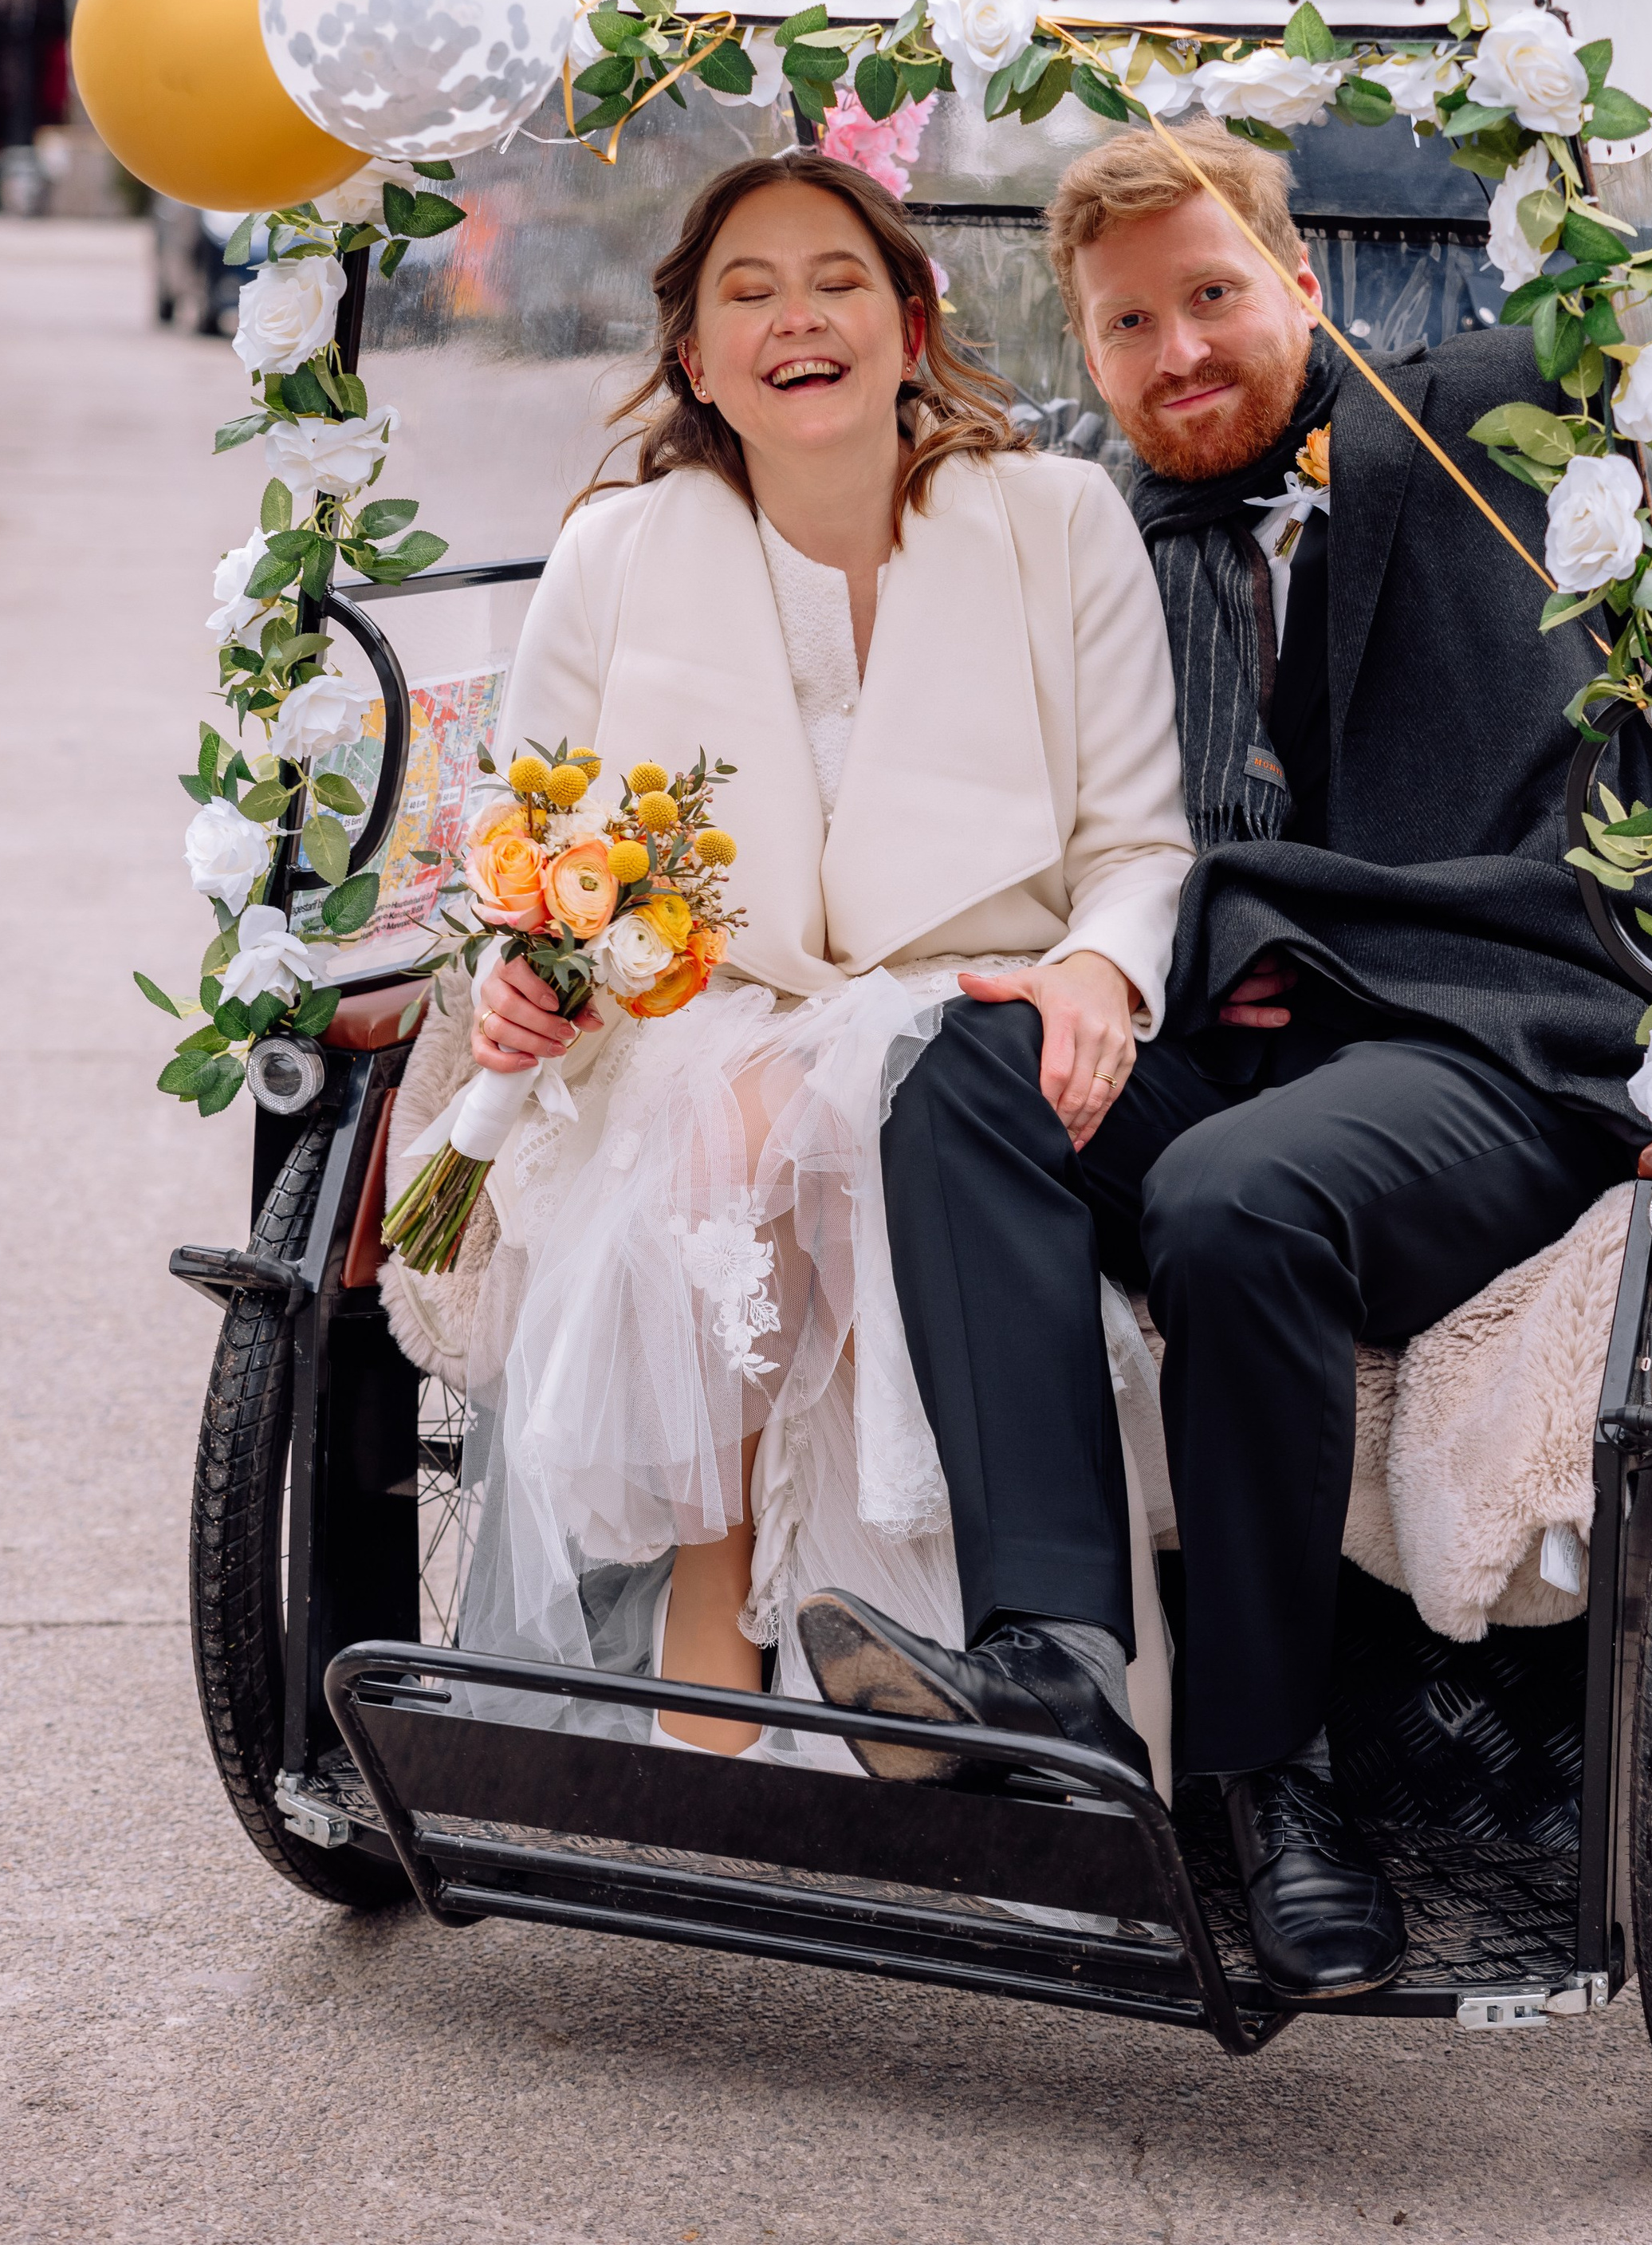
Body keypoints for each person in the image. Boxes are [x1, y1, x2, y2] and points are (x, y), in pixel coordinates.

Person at [796, 123, 1646, 2003]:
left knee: (1231, 1197)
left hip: (1469, 1028)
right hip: (1213, 1039)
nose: (1177, 352)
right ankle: (1052, 1657)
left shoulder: (1480, 416)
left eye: (1211, 299)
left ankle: (1275, 1775)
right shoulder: (1074, 518)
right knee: (957, 1065)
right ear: (1080, 353)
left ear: (1301, 286)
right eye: (1124, 323)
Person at [454, 147, 1194, 1778]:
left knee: (867, 1096)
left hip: (969, 1006)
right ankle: (717, 1584)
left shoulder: (1055, 522)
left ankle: (919, 1637)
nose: (798, 316)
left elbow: (1138, 844)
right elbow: (531, 845)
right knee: (732, 1110)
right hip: (690, 1017)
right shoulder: (618, 551)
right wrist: (520, 978)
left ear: (913, 323)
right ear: (696, 359)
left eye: (838, 279)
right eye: (749, 290)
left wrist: (1096, 977)